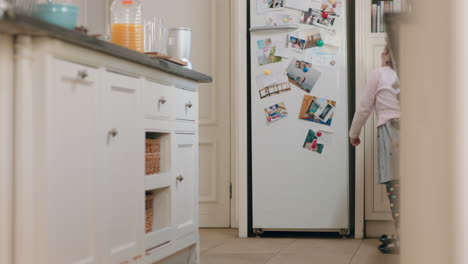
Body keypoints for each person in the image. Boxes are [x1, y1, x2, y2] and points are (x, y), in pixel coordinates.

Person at [349, 45, 400, 254]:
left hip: (393, 132)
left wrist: (354, 133)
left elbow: (364, 107)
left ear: (387, 55)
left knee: (396, 186)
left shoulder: (379, 74)